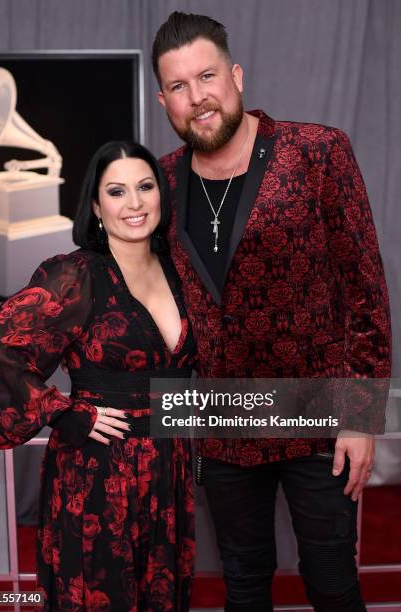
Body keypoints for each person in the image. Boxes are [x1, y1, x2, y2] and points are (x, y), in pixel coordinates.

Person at [152, 11, 391, 612]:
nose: (197, 97)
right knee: (244, 578)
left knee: (332, 580)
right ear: (163, 100)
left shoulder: (318, 152)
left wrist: (361, 418)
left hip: (318, 413)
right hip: (223, 417)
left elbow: (366, 289)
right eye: (179, 86)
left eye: (207, 77)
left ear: (236, 75)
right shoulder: (163, 178)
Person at [0, 141, 196, 611]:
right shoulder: (74, 276)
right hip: (98, 474)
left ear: (161, 195)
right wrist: (62, 411)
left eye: (145, 186)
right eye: (117, 192)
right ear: (96, 206)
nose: (134, 203)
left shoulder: (183, 272)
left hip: (168, 470)